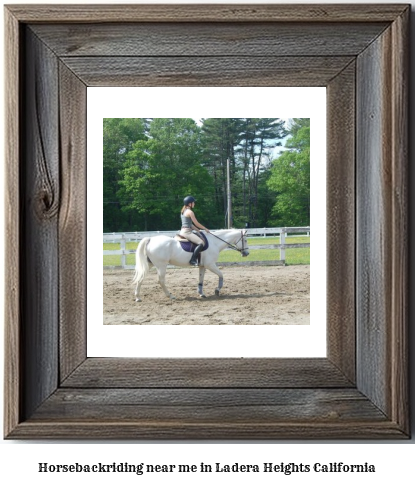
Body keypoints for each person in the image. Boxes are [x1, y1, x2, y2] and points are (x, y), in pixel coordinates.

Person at [180, 196, 210, 265]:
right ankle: (192, 259)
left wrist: (198, 230)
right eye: (193, 202)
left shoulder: (183, 211)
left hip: (183, 230)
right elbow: (196, 223)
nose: (194, 204)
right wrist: (205, 228)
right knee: (201, 243)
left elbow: (190, 225)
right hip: (187, 232)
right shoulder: (190, 212)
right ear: (189, 204)